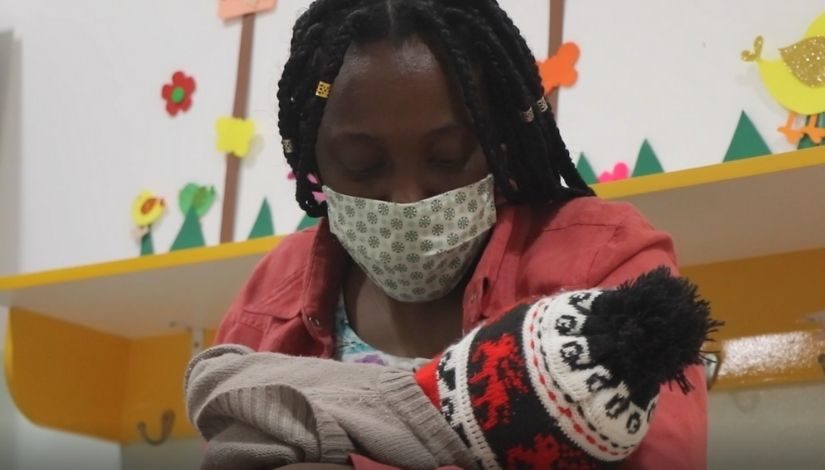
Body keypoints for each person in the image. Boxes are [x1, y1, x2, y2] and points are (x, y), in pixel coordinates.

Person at [196, 0, 707, 468]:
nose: (407, 199)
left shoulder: (604, 261)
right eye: (362, 165)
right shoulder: (267, 302)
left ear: (500, 141)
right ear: (312, 159)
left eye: (447, 157)